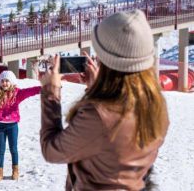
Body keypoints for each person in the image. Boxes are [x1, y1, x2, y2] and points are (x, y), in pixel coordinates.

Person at [40, 10, 169, 190]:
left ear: (107, 59)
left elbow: (52, 150)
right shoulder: (155, 103)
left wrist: (50, 92)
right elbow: (114, 150)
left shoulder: (99, 116)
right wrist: (98, 89)